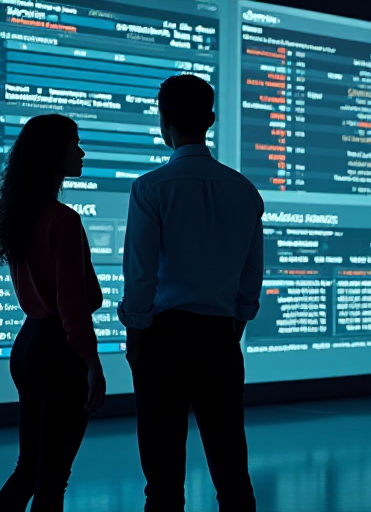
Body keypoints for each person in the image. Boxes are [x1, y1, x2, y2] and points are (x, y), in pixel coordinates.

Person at [119, 74, 262, 512]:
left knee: (162, 481)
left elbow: (140, 276)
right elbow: (250, 277)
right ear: (211, 120)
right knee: (232, 473)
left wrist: (136, 339)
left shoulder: (150, 187)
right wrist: (233, 324)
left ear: (164, 122)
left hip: (163, 340)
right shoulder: (245, 191)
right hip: (220, 339)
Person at [0, 114, 107, 512]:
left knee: (29, 468)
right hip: (59, 351)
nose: (81, 152)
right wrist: (92, 362)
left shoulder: (21, 214)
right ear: (53, 153)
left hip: (29, 345)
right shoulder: (64, 220)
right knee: (52, 481)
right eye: (74, 144)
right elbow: (72, 303)